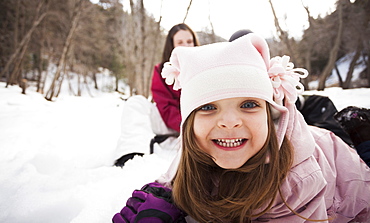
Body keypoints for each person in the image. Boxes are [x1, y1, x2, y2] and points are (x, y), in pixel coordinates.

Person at [112, 34, 370, 222]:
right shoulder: (204, 141)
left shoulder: (297, 177)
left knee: (327, 119)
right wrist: (165, 196)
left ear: (271, 114)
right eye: (208, 107)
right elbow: (183, 167)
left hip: (341, 166)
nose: (229, 121)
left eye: (248, 104)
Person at [113, 24, 199, 167]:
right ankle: (131, 155)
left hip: (198, 123)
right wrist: (182, 124)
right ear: (172, 46)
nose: (186, 46)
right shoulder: (161, 70)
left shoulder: (205, 67)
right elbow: (163, 104)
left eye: (189, 42)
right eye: (180, 42)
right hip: (172, 121)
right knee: (136, 102)